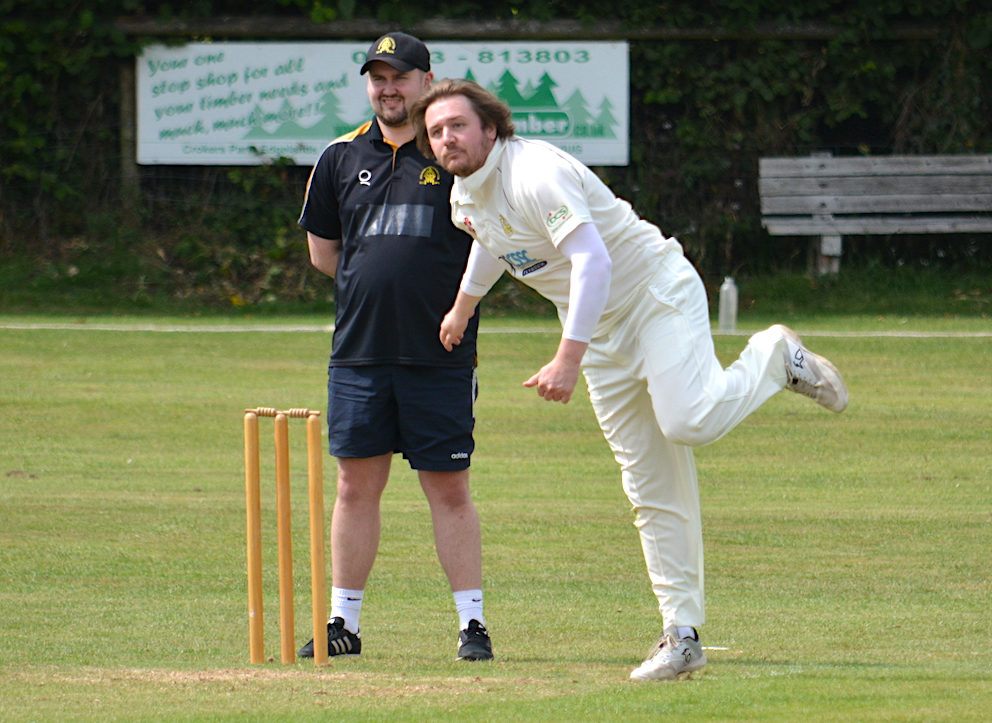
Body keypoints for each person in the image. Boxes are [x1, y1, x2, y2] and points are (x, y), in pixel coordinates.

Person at [411, 79, 848, 680]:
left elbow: (594, 260)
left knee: (688, 420)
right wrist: (462, 307)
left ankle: (773, 356)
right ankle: (682, 634)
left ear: (491, 128)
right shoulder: (465, 196)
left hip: (653, 294)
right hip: (600, 334)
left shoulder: (535, 172)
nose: (446, 138)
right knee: (648, 484)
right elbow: (494, 241)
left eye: (457, 124)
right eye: (436, 131)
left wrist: (567, 357)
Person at [296, 37, 492, 662]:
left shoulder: (455, 153)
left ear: (425, 80)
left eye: (399, 77)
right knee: (355, 488)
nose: (388, 88)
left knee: (449, 488)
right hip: (359, 353)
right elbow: (326, 254)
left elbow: (492, 244)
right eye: (377, 78)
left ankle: (472, 626)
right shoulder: (338, 156)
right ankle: (342, 625)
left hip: (440, 351)